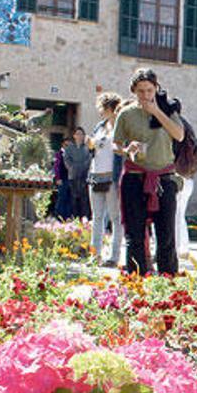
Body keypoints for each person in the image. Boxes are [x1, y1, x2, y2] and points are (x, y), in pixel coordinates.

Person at [113, 68, 185, 275]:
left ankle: (168, 282)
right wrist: (126, 149)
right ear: (133, 91)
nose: (145, 95)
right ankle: (137, 282)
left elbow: (179, 135)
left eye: (149, 90)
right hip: (135, 178)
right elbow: (115, 144)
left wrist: (156, 112)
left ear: (156, 88)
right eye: (141, 91)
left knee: (166, 235)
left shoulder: (168, 109)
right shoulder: (126, 114)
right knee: (134, 235)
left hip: (164, 179)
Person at [87, 92, 124, 267]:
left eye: (102, 108)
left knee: (115, 218)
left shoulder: (121, 128)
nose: (100, 111)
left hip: (113, 176)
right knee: (97, 217)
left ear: (110, 108)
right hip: (96, 175)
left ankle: (114, 257)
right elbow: (94, 148)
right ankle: (95, 255)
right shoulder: (99, 127)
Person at [64, 127, 91, 219]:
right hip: (73, 176)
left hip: (84, 176)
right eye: (78, 134)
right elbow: (67, 160)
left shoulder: (87, 148)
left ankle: (85, 218)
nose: (80, 136)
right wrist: (73, 168)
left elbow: (89, 160)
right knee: (73, 199)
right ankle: (73, 218)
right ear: (74, 136)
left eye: (81, 134)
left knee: (84, 200)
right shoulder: (69, 148)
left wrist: (83, 168)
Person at [53, 138, 73, 220]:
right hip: (62, 180)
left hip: (71, 180)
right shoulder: (59, 154)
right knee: (61, 199)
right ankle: (59, 217)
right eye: (66, 145)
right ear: (63, 145)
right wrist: (58, 178)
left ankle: (67, 217)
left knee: (70, 199)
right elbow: (56, 167)